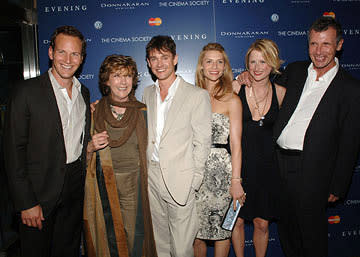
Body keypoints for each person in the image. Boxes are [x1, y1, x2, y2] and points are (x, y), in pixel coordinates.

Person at [272, 17, 360, 257]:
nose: (319, 51)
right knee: (287, 231)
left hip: (314, 170)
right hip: (280, 164)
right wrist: (246, 78)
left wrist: (338, 185)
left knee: (311, 237)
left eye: (326, 44)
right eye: (313, 44)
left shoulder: (351, 89)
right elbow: (266, 95)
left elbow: (350, 142)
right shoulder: (295, 71)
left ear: (339, 45)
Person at [3, 25, 91, 257]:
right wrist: (25, 202)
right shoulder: (26, 92)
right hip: (38, 194)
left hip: (74, 189)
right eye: (62, 52)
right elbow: (13, 152)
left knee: (68, 250)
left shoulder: (84, 93)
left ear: (81, 59)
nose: (68, 59)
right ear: (51, 52)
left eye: (75, 54)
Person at [142, 35, 212, 257]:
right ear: (148, 63)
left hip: (181, 179)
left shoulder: (196, 95)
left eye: (164, 57)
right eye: (154, 58)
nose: (159, 63)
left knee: (181, 249)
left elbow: (202, 142)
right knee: (159, 244)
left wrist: (194, 180)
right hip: (151, 176)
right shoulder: (146, 93)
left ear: (175, 59)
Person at [83, 55, 157, 257]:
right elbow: (78, 157)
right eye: (117, 75)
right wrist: (90, 147)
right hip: (103, 185)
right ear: (106, 80)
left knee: (135, 237)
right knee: (107, 239)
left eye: (128, 76)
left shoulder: (143, 111)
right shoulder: (93, 111)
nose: (123, 81)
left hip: (135, 183)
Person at [231, 39, 286, 257]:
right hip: (240, 168)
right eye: (252, 62)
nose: (257, 67)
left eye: (263, 61)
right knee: (237, 223)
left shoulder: (281, 93)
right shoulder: (236, 88)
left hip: (268, 171)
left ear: (272, 64)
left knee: (262, 224)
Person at [193, 43, 245, 257]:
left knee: (223, 233)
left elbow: (236, 145)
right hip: (195, 172)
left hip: (222, 174)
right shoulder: (190, 97)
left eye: (219, 61)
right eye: (209, 61)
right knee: (196, 235)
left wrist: (236, 182)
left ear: (225, 67)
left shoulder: (232, 99)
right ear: (201, 66)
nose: (214, 66)